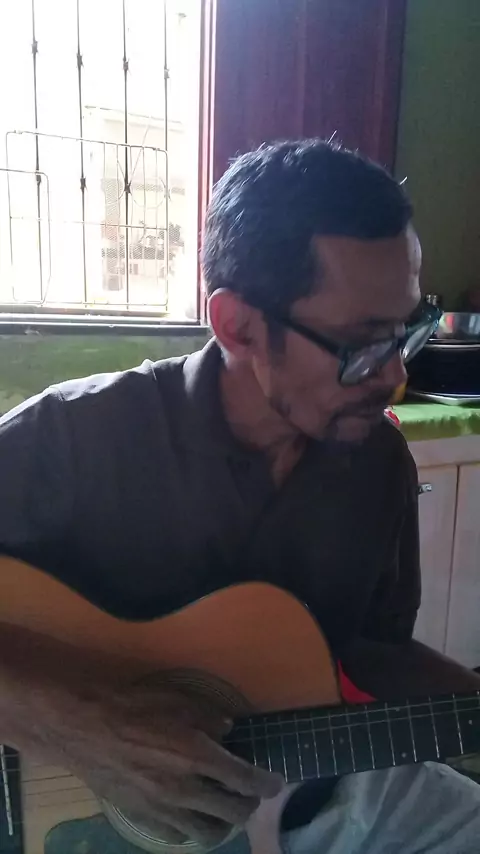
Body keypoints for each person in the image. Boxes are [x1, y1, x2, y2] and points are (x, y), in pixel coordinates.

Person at [0, 139, 479, 854]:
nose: (393, 379)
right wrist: (75, 723)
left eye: (405, 332)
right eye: (360, 345)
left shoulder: (377, 462)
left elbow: (370, 650)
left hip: (299, 787)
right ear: (237, 326)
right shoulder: (72, 437)